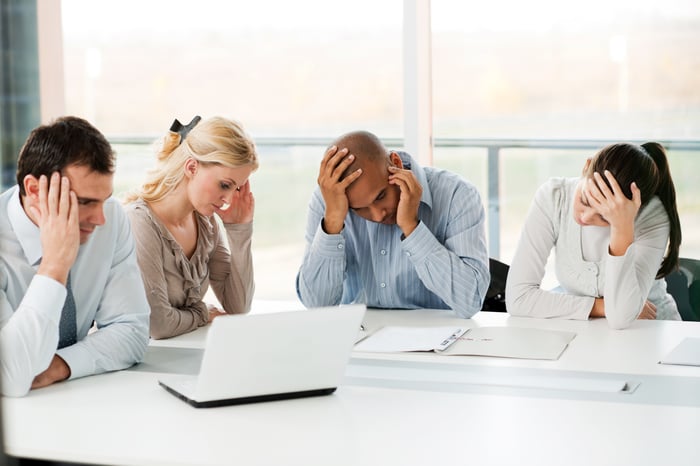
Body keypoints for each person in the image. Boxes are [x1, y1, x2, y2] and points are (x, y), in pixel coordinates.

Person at [0, 116, 150, 397]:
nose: (100, 219)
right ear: (34, 190)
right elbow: (10, 377)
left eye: (104, 200)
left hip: (73, 400)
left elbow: (132, 331)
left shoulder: (112, 218)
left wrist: (61, 365)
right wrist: (55, 264)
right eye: (85, 202)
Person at [296, 130, 490, 317]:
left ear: (396, 164)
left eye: (381, 196)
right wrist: (332, 222)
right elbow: (317, 306)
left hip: (437, 341)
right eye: (359, 209)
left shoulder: (457, 195)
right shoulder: (329, 201)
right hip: (358, 340)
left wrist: (412, 228)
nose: (378, 215)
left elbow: (470, 301)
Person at [506, 142, 683, 329]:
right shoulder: (554, 196)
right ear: (586, 167)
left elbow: (620, 318)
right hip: (587, 332)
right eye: (585, 200)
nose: (585, 217)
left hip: (650, 330)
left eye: (603, 216)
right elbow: (518, 298)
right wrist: (601, 306)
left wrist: (622, 226)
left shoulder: (652, 216)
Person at [124, 116, 258, 339]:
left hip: (179, 354)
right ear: (192, 167)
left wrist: (239, 229)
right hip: (135, 362)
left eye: (235, 189)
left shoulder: (206, 224)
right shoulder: (139, 223)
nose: (227, 199)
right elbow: (157, 325)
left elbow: (238, 306)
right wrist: (203, 313)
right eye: (224, 185)